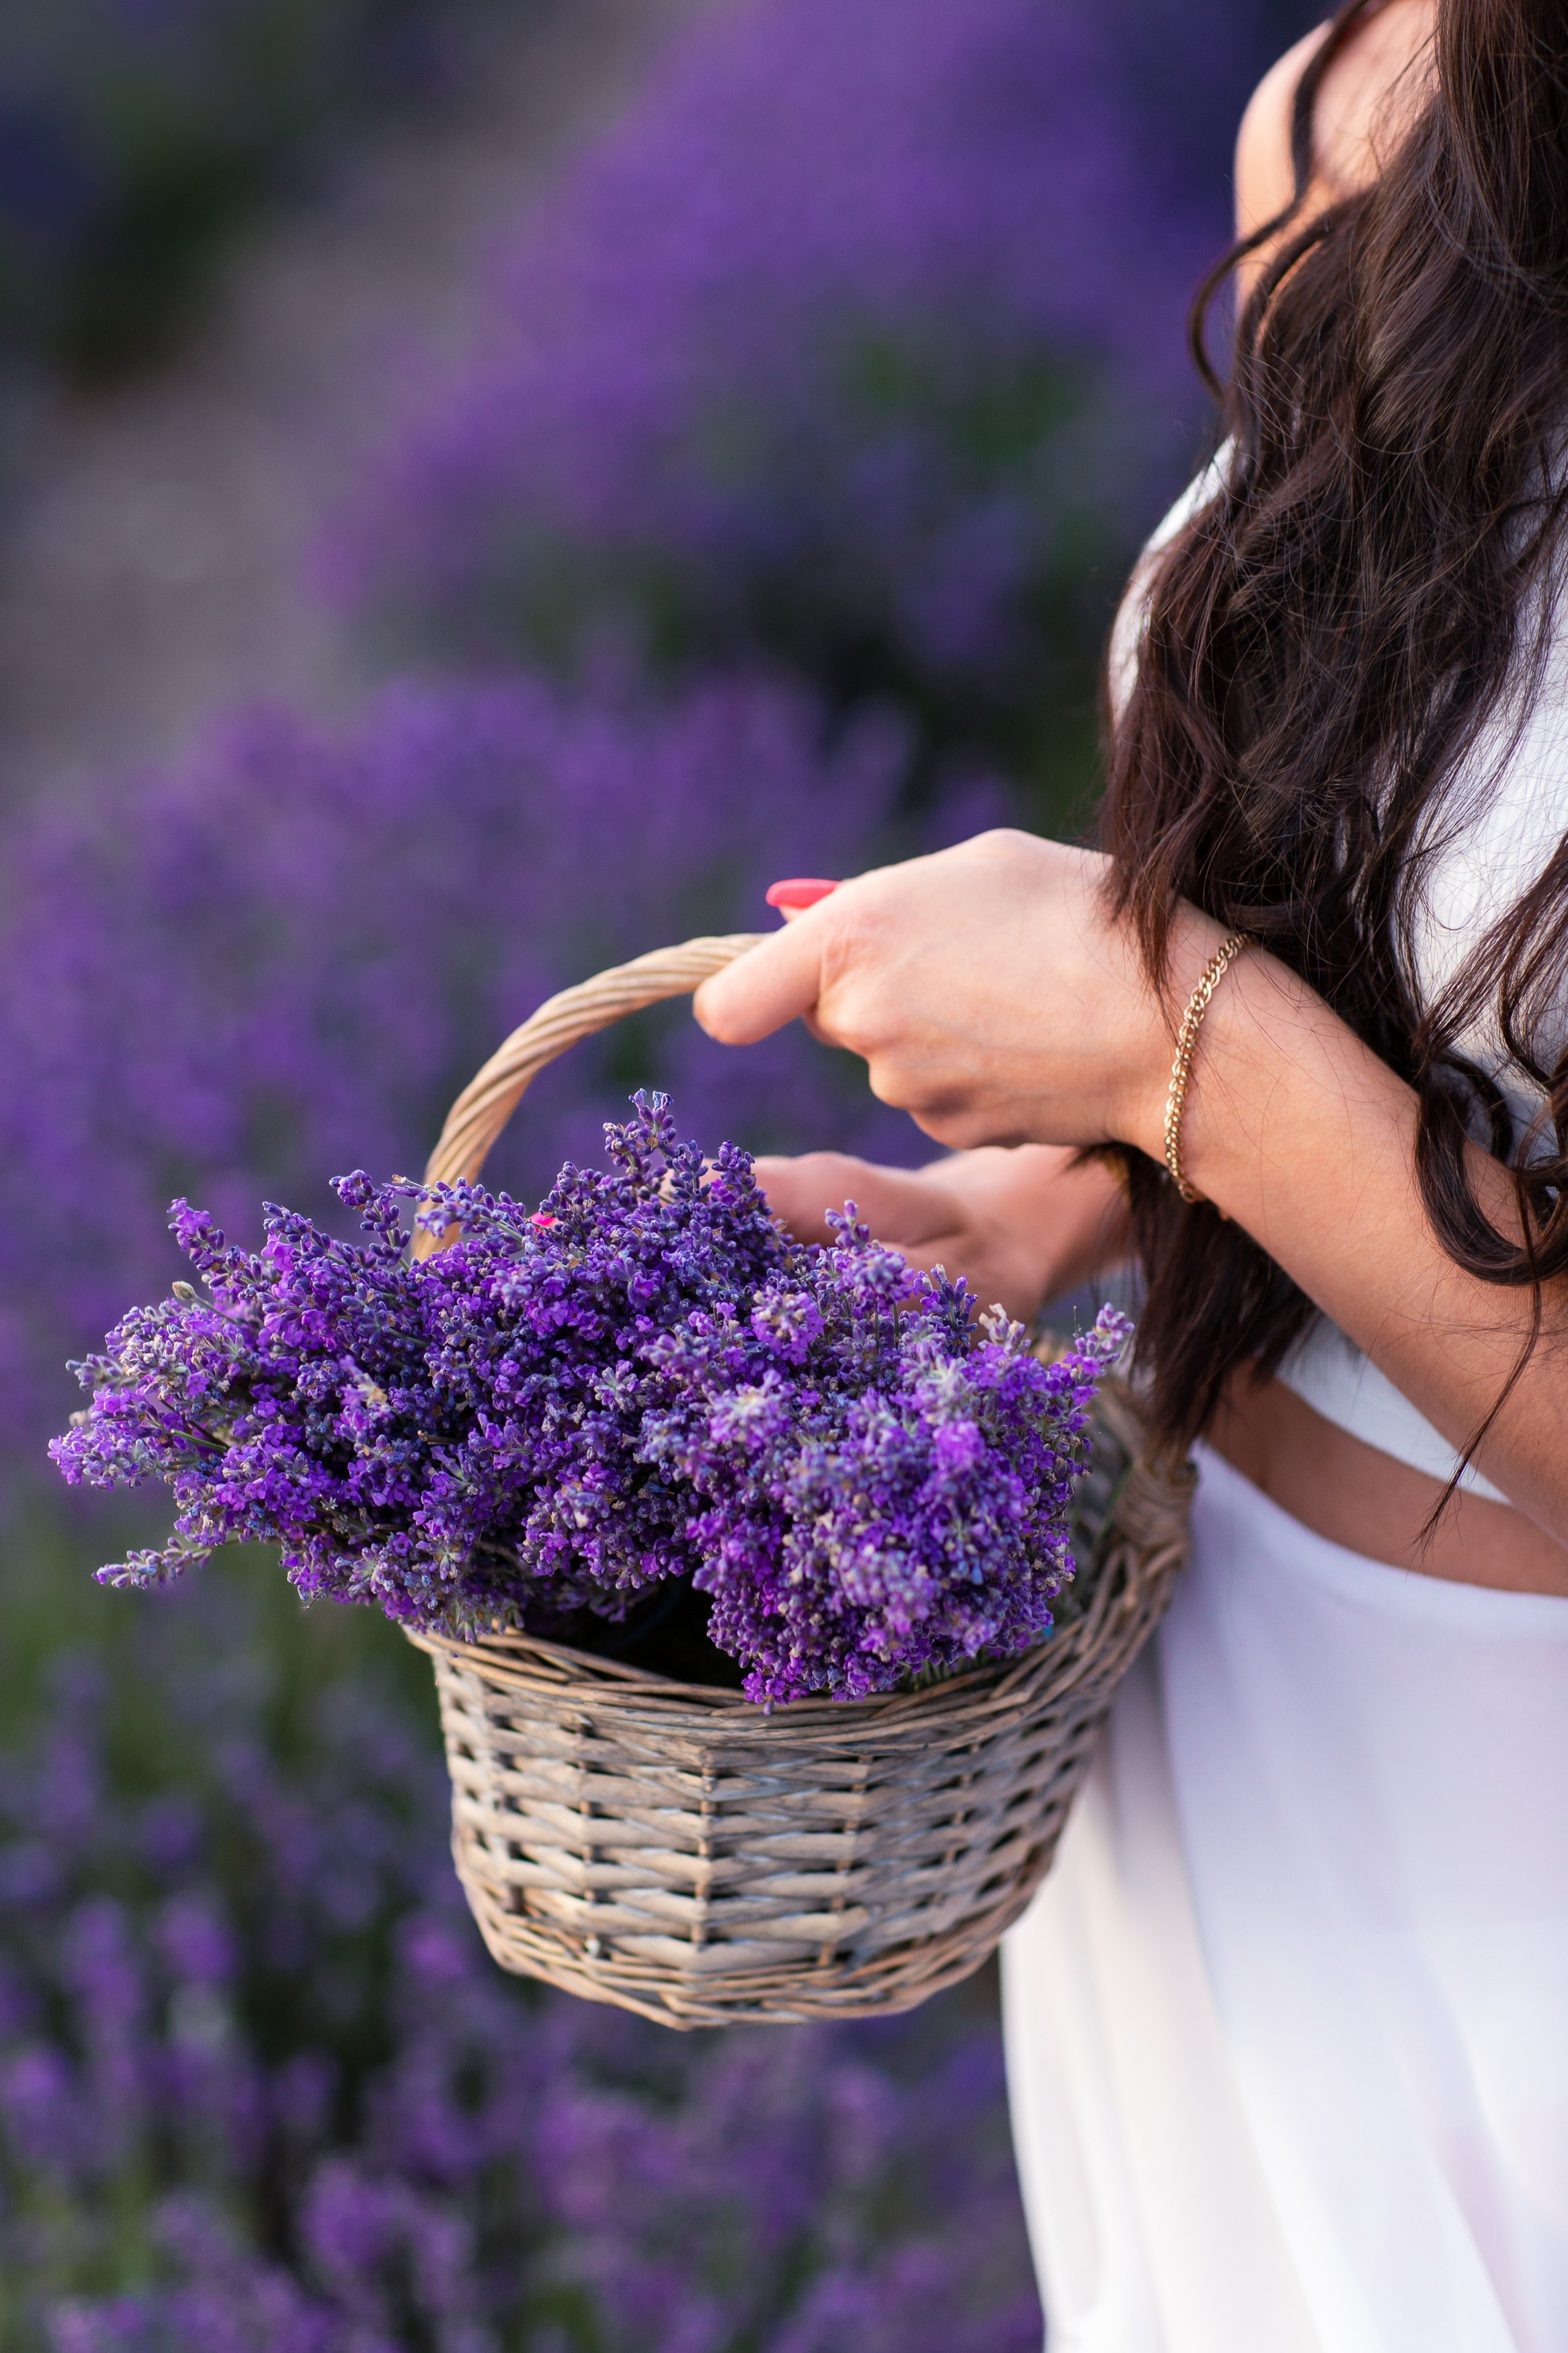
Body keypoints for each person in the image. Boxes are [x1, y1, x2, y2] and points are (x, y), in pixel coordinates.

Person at [691, 3, 1568, 2346]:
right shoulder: (1372, 73)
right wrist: (1070, 1187)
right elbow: (1394, 852)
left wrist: (1167, 1045)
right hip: (1211, 1724)